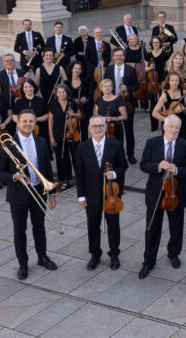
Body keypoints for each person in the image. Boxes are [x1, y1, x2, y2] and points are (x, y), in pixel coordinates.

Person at [0, 110, 58, 280]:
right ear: (18, 122)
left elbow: (47, 169)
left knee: (40, 227)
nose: (28, 124)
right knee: (19, 230)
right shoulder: (9, 144)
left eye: (31, 121)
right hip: (18, 194)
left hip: (38, 190)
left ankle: (42, 257)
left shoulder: (41, 141)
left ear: (35, 123)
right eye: (25, 121)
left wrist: (51, 193)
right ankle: (23, 263)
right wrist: (14, 176)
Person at [138, 115, 186, 279]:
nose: (174, 130)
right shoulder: (152, 143)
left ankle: (173, 254)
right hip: (156, 193)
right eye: (171, 127)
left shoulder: (184, 145)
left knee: (176, 227)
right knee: (152, 228)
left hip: (175, 194)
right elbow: (143, 165)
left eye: (177, 127)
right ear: (164, 127)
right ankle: (148, 261)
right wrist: (158, 166)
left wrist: (176, 170)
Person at [75, 115, 128, 271]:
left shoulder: (116, 145)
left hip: (111, 193)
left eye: (100, 126)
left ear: (105, 127)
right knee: (92, 224)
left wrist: (115, 174)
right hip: (91, 194)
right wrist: (81, 195)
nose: (97, 129)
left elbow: (123, 166)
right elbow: (79, 173)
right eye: (94, 126)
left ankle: (114, 254)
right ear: (89, 128)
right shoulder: (82, 148)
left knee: (113, 225)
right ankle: (95, 255)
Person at [103, 48, 140, 163]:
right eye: (116, 55)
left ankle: (130, 154)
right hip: (113, 102)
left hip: (127, 103)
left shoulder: (130, 69)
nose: (118, 58)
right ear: (113, 57)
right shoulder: (108, 69)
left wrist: (127, 88)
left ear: (124, 57)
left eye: (120, 55)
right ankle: (117, 154)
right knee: (114, 130)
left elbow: (136, 86)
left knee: (129, 130)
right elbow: (104, 85)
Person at [47, 84, 80, 190]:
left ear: (67, 92)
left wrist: (73, 114)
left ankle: (80, 178)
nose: (62, 94)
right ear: (56, 94)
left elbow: (80, 115)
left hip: (73, 133)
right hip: (58, 134)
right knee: (61, 158)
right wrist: (51, 137)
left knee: (76, 157)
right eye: (59, 92)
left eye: (63, 92)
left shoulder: (72, 103)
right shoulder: (53, 104)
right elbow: (50, 121)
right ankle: (65, 179)